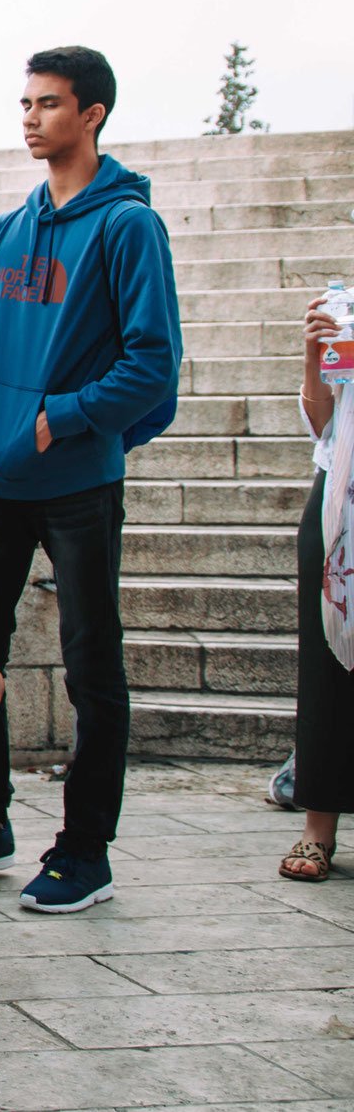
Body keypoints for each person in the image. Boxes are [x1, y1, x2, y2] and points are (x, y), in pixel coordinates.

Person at [0, 47, 181, 914]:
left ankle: (84, 850)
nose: (31, 118)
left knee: (91, 667)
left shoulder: (129, 226)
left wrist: (62, 416)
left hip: (77, 479)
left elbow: (153, 364)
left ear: (93, 113)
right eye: (25, 103)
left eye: (49, 103)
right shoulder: (5, 231)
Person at [284, 291, 354, 880]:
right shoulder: (346, 312)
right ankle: (317, 829)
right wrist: (314, 355)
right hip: (340, 500)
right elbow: (322, 424)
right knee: (327, 661)